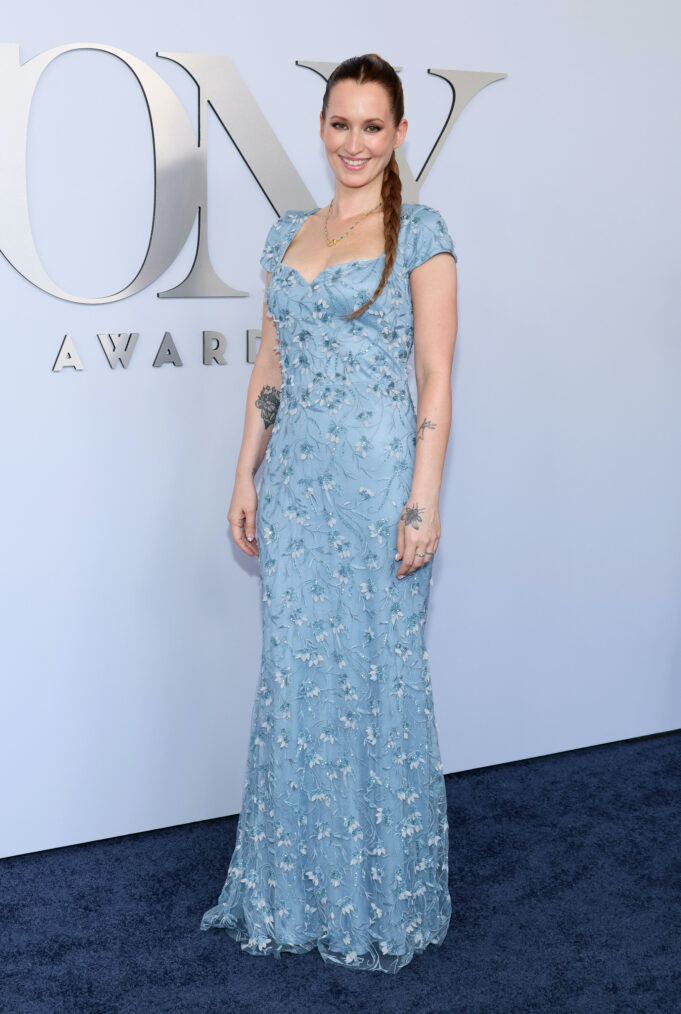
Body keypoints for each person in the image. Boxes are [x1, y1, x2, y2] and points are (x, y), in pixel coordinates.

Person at [200, 52, 459, 973]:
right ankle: (296, 888)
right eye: (340, 124)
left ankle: (380, 896)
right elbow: (268, 369)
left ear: (397, 136)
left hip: (379, 483)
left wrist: (421, 499)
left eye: (373, 126)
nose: (355, 142)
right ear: (322, 129)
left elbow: (434, 376)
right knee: (298, 680)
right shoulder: (285, 236)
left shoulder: (420, 234)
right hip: (297, 490)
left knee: (377, 678)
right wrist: (244, 473)